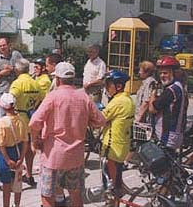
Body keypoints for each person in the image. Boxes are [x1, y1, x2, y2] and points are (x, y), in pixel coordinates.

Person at [29, 62, 106, 207]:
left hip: (53, 156)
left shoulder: (53, 97)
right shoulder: (84, 98)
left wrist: (35, 140)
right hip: (76, 156)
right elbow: (101, 121)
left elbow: (34, 122)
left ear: (57, 79)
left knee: (47, 196)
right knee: (76, 194)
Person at [100, 70, 135, 205]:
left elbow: (101, 119)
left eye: (108, 84)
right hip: (122, 146)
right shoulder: (128, 100)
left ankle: (112, 204)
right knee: (117, 180)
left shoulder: (117, 102)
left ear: (118, 86)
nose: (106, 88)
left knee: (110, 183)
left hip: (111, 147)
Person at [9, 58, 42, 187]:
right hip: (31, 119)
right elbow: (41, 100)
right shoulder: (35, 83)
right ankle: (29, 175)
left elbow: (10, 100)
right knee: (30, 150)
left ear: (17, 70)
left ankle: (15, 181)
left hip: (19, 120)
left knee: (18, 151)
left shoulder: (17, 84)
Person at [0, 93, 28, 207]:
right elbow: (25, 141)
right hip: (18, 151)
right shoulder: (21, 120)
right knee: (18, 182)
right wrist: (21, 158)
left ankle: (6, 205)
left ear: (3, 107)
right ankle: (17, 205)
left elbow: (0, 144)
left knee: (6, 183)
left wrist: (7, 160)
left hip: (5, 155)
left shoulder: (1, 123)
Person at [149, 56, 188, 151]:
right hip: (174, 135)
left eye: (165, 73)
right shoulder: (179, 87)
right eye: (160, 73)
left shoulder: (171, 90)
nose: (162, 76)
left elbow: (152, 109)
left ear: (174, 73)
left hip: (166, 136)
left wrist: (153, 92)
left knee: (159, 164)